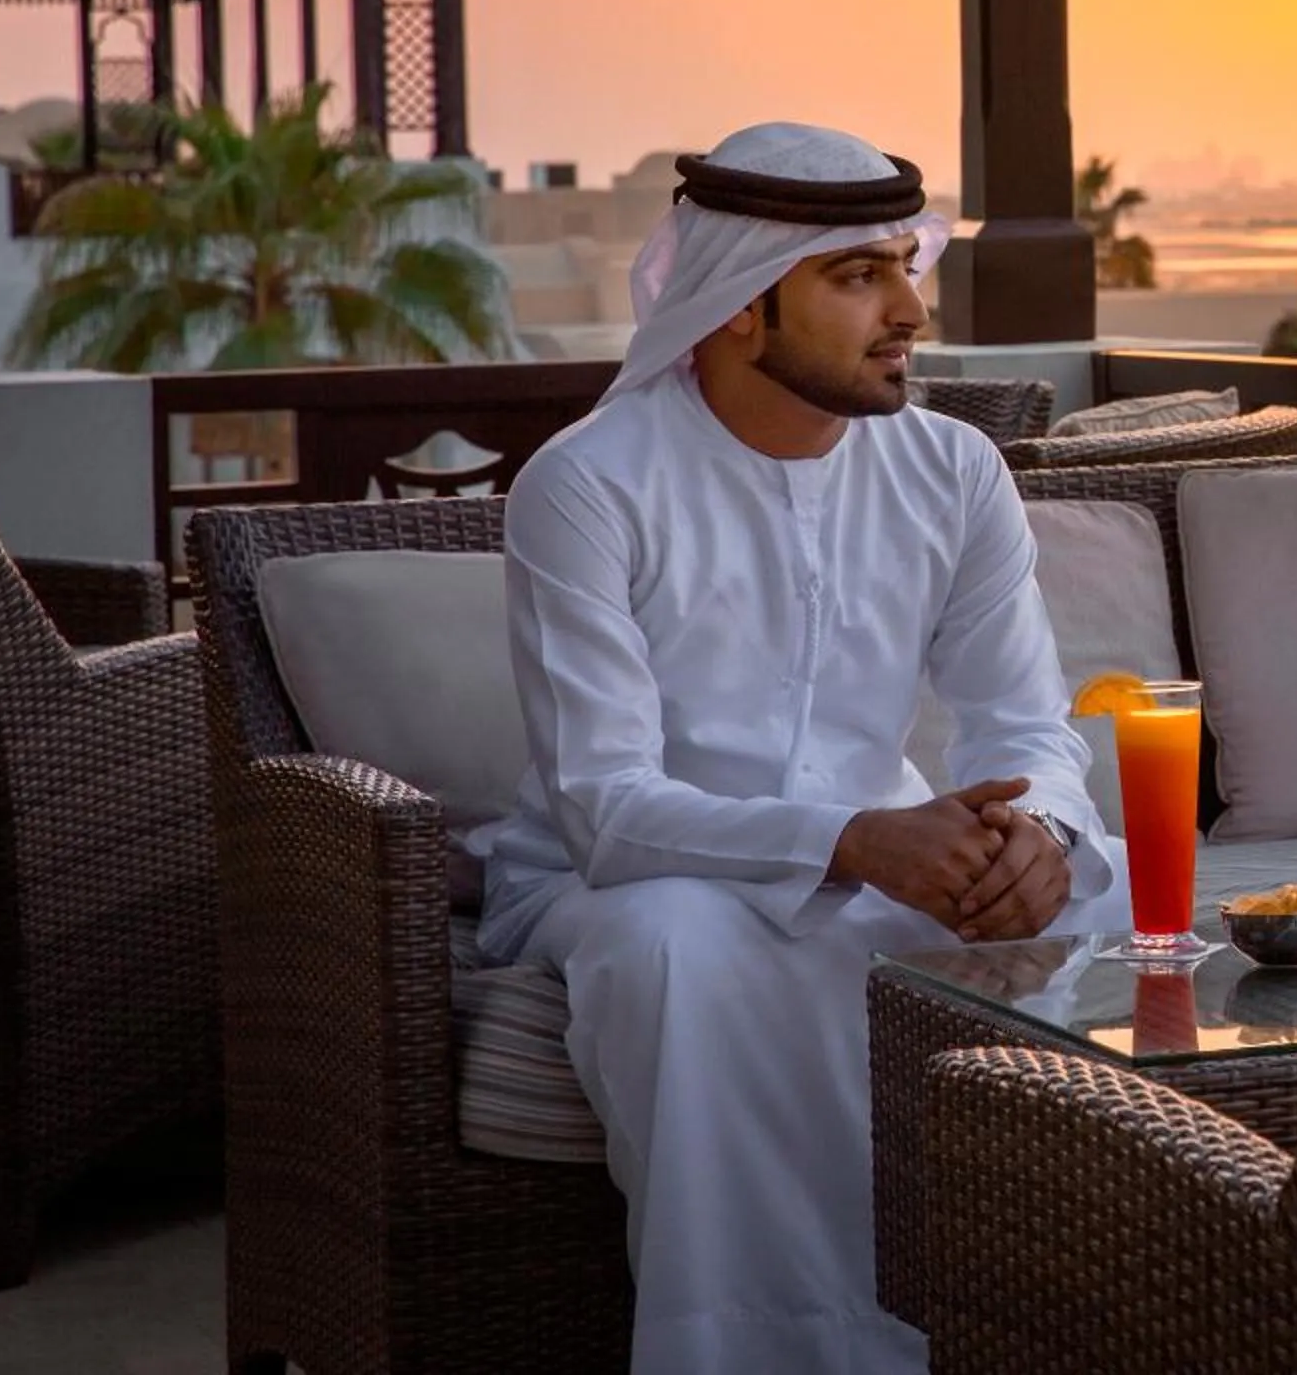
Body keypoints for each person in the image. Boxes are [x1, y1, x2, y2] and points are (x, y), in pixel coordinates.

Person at [474, 122, 1124, 1375]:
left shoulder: (952, 469)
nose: (910, 309)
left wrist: (1039, 833)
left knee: (1131, 904)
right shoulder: (590, 482)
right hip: (628, 875)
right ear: (736, 307)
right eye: (858, 276)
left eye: (904, 265)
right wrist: (855, 840)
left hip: (888, 854)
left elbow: (1024, 725)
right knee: (679, 944)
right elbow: (607, 804)